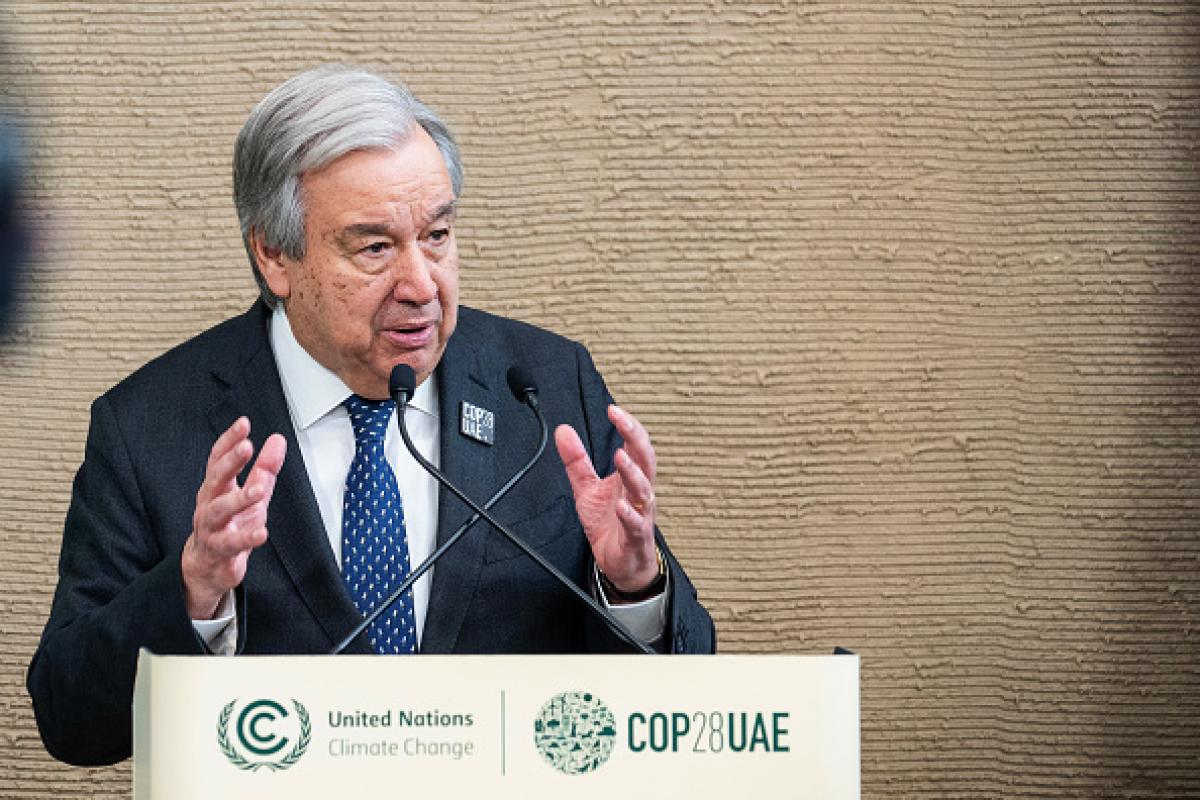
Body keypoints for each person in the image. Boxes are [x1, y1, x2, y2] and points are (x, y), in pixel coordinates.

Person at [27, 64, 715, 767]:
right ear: (274, 254)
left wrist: (633, 585)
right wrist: (193, 589)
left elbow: (676, 687)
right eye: (375, 247)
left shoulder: (540, 389)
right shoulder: (150, 426)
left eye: (438, 235)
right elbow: (70, 720)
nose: (421, 284)